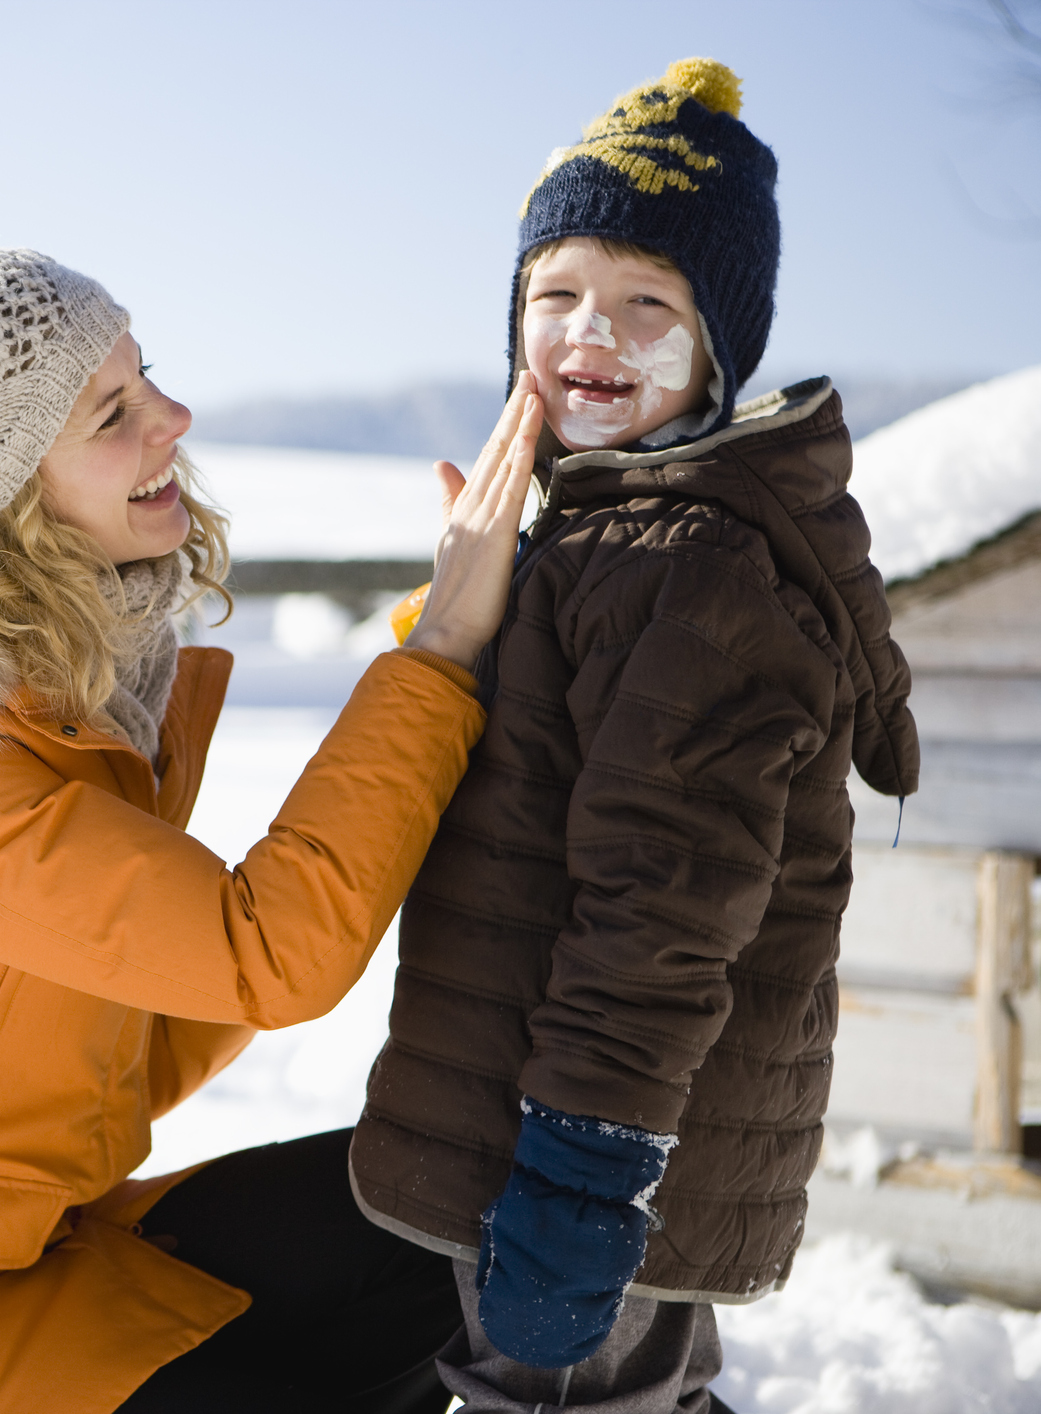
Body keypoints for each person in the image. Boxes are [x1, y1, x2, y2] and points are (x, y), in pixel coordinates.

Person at [0, 245, 538, 1414]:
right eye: (111, 412)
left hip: (28, 1259)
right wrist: (436, 660)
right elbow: (263, 953)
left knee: (458, 1206)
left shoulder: (64, 687)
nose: (173, 419)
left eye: (149, 378)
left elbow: (140, 1037)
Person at [348, 59, 921, 1414]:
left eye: (647, 301)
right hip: (548, 1116)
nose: (589, 331)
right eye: (554, 294)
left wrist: (584, 1172)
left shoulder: (690, 571)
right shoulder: (604, 535)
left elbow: (662, 908)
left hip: (590, 1151)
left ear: (718, 349)